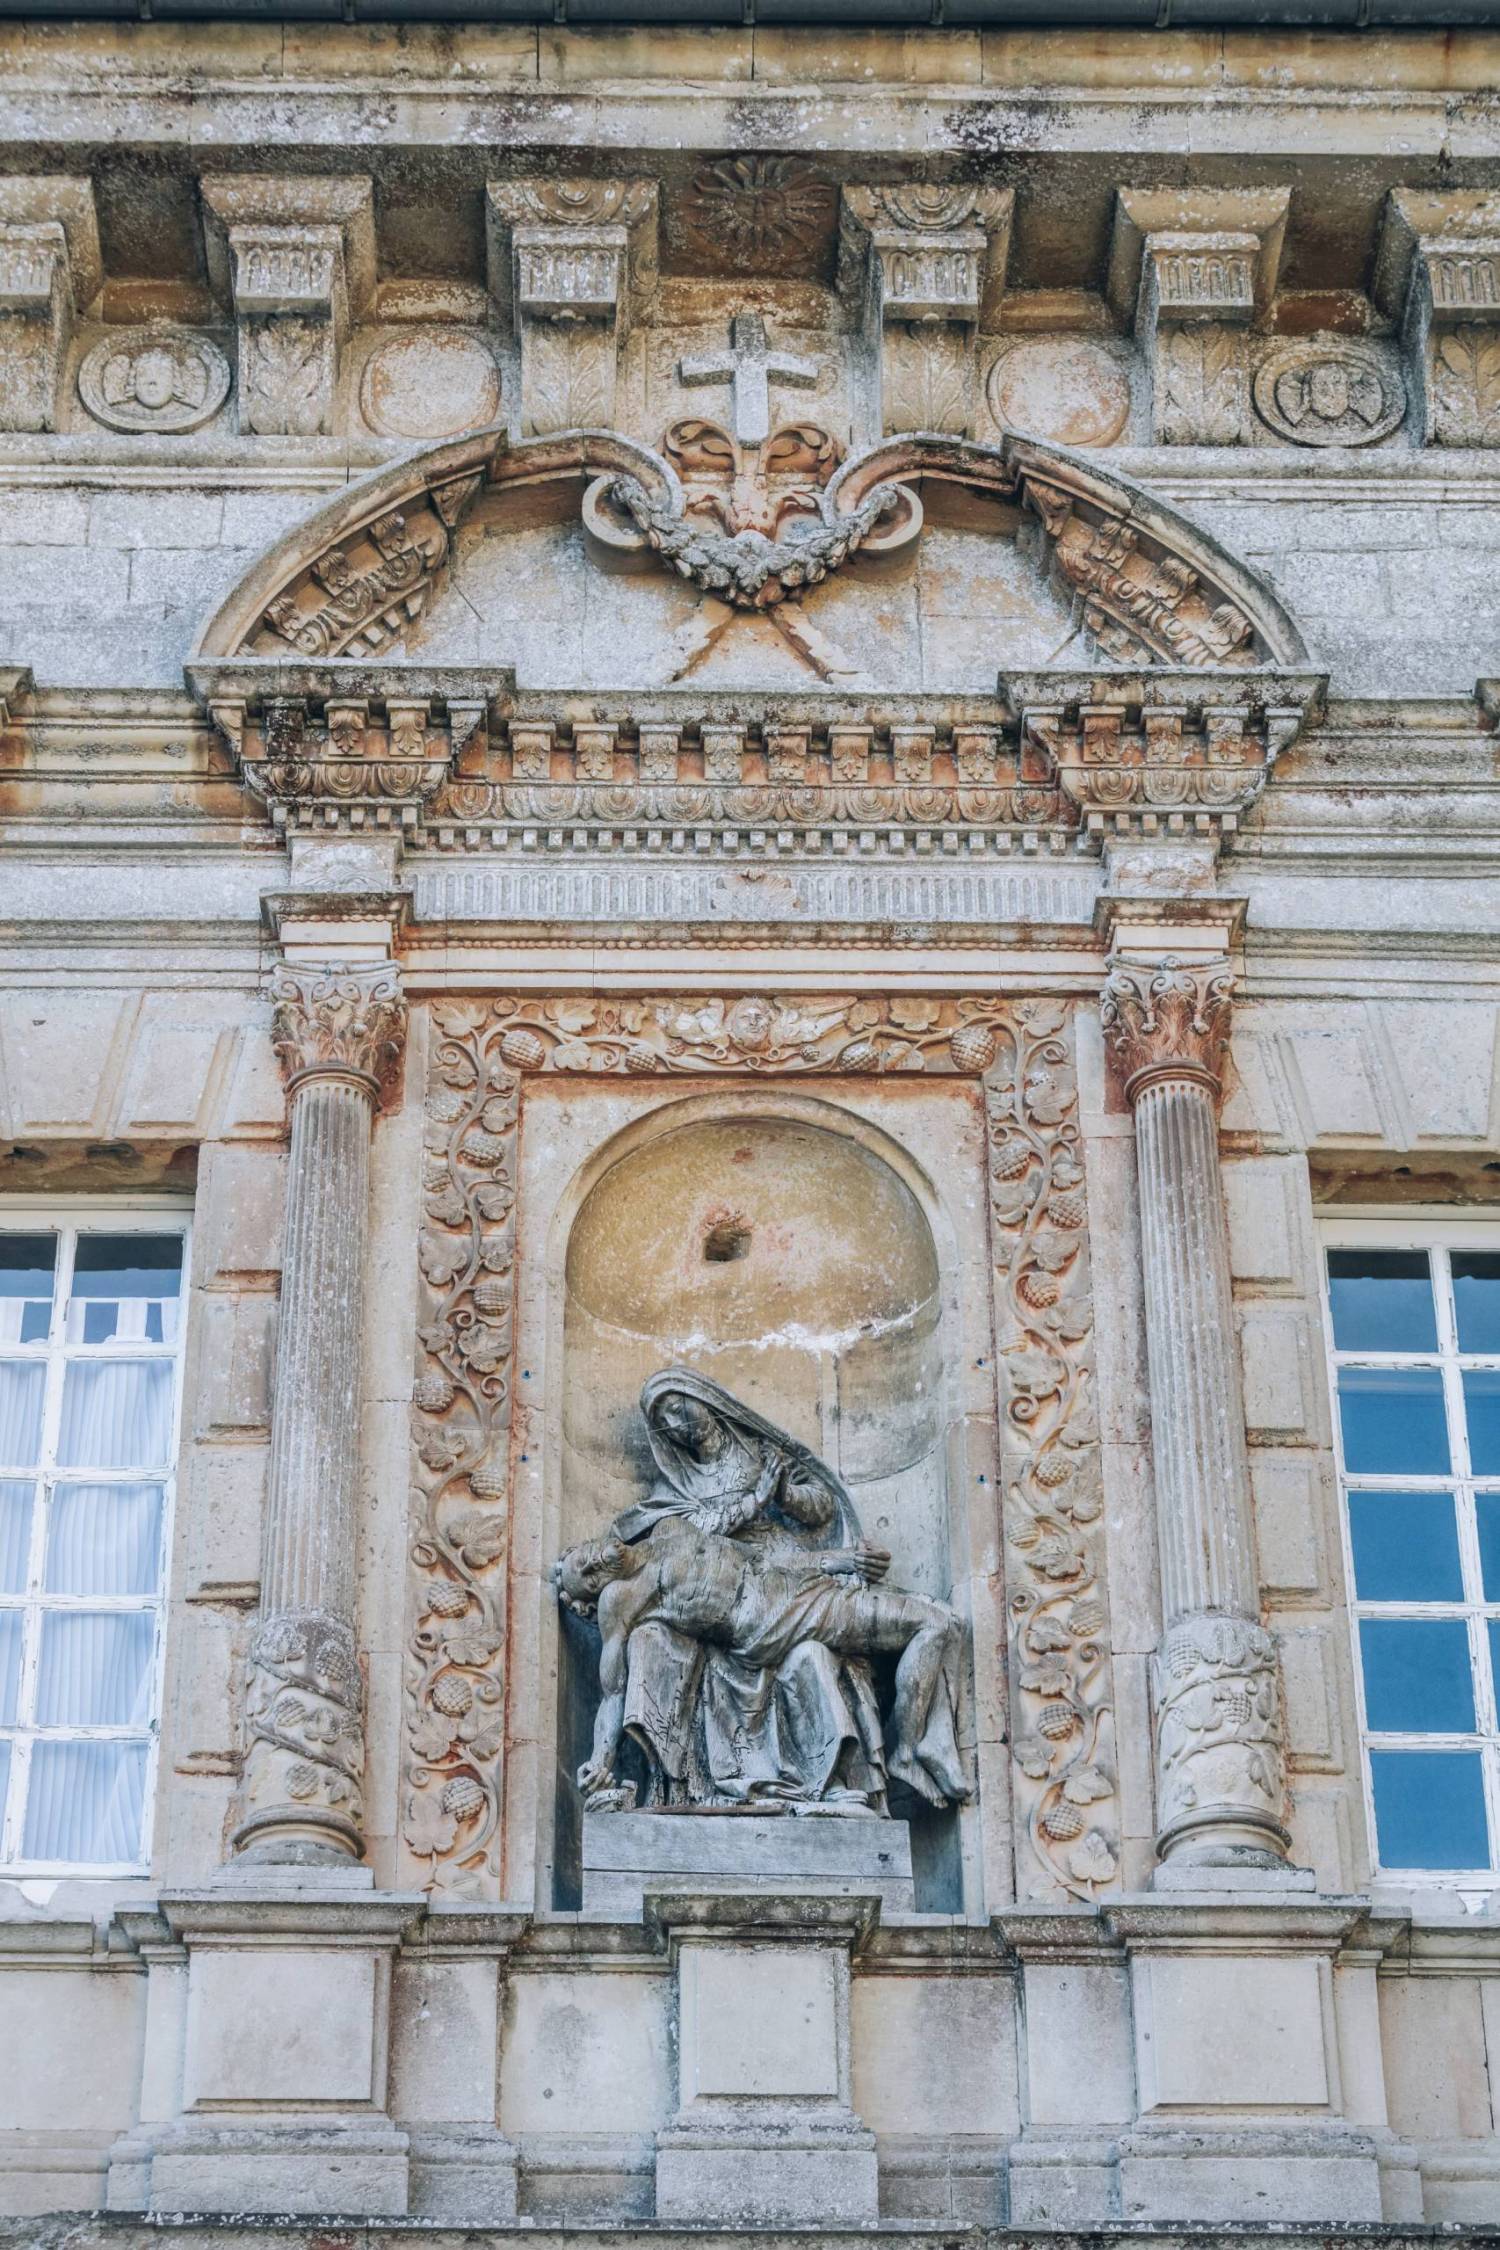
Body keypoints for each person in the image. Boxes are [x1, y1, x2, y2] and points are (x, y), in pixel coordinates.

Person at [592, 1369, 892, 1813]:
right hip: (717, 1600)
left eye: (678, 1408)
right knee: (653, 1639)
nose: (676, 1424)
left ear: (703, 1399)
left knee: (810, 1652)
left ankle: (821, 1785)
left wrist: (783, 1493)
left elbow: (820, 1508)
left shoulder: (762, 1454)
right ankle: (681, 1786)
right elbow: (678, 1545)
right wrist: (751, 1503)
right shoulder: (673, 1488)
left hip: (786, 1575)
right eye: (665, 1422)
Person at [556, 1514, 970, 1813]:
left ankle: (921, 1743)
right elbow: (613, 1690)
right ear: (599, 1594)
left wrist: (844, 1559)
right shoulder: (621, 1597)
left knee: (941, 1620)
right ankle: (911, 1749)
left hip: (795, 1587)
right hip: (772, 1626)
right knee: (929, 1624)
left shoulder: (667, 1529)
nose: (593, 1565)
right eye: (589, 1579)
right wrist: (600, 1760)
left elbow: (759, 1559)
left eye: (582, 1561)